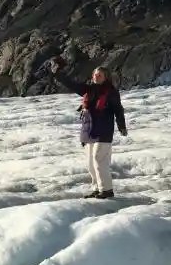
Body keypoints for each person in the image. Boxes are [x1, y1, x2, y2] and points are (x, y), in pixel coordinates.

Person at [49, 59, 127, 199]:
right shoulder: (88, 90)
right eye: (95, 75)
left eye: (100, 75)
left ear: (106, 77)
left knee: (99, 159)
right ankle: (97, 188)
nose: (97, 77)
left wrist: (121, 126)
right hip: (88, 131)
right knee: (91, 163)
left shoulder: (111, 92)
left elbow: (118, 110)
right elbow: (71, 84)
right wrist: (57, 74)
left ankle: (107, 190)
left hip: (103, 131)